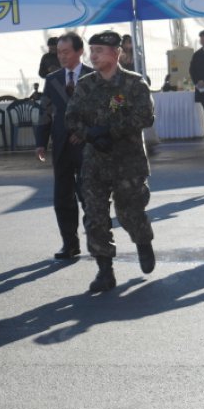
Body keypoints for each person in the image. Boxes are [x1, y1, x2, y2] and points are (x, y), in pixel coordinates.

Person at [65, 30, 155, 292]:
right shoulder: (86, 85)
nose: (93, 56)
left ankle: (143, 241)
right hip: (95, 162)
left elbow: (145, 117)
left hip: (128, 163)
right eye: (92, 51)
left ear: (117, 53)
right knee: (95, 217)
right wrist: (89, 134)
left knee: (130, 213)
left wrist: (109, 131)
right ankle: (105, 271)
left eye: (100, 51)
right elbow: (71, 118)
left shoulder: (134, 84)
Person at [35, 32, 93, 260]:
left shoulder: (94, 76)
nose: (61, 56)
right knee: (63, 197)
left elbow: (111, 109)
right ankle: (69, 243)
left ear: (79, 52)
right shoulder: (52, 79)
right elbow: (45, 112)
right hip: (61, 146)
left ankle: (97, 241)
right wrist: (41, 141)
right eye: (59, 52)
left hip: (89, 147)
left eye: (66, 52)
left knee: (90, 196)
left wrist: (87, 132)